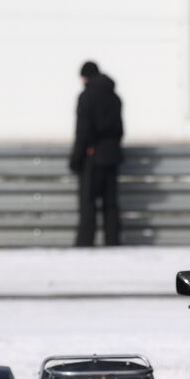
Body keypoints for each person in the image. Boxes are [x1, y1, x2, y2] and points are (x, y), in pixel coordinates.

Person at [69, 60, 124, 246]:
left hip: (92, 157)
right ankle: (113, 241)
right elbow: (120, 130)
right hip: (113, 156)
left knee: (88, 203)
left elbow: (83, 131)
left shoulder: (86, 97)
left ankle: (85, 243)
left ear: (85, 77)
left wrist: (76, 159)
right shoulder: (115, 97)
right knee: (111, 204)